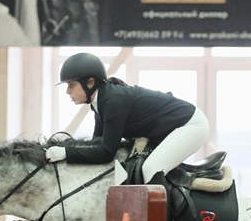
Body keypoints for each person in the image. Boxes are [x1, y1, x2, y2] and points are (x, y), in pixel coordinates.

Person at [45, 53, 210, 186]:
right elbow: (97, 144)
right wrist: (68, 146)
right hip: (176, 126)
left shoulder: (113, 101)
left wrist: (65, 153)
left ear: (90, 82)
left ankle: (168, 218)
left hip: (191, 125)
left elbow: (106, 153)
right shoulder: (100, 102)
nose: (67, 91)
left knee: (151, 169)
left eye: (71, 85)